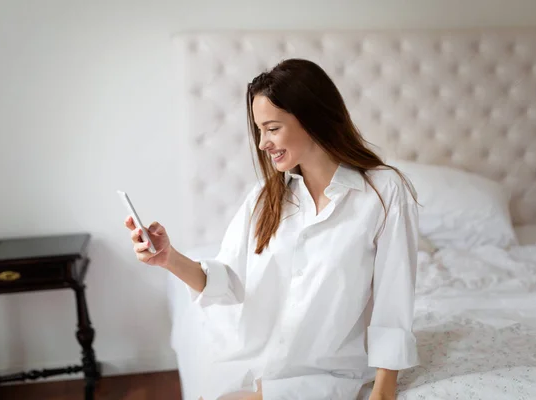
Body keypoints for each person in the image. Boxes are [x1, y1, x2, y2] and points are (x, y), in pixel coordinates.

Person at [124, 58, 420, 400]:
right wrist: (168, 258)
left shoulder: (384, 192)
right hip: (254, 363)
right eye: (259, 130)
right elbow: (228, 281)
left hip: (327, 373)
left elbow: (392, 302)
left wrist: (383, 392)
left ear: (312, 118)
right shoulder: (267, 197)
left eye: (273, 128)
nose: (263, 143)